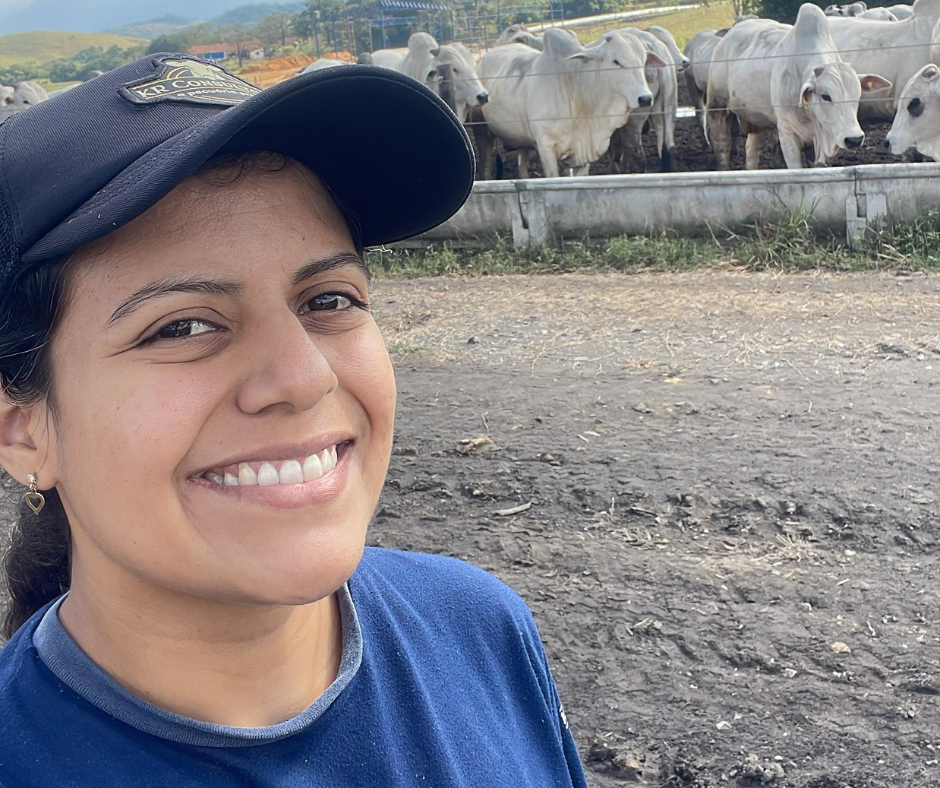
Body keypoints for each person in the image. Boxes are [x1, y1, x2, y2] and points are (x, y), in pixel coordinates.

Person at [0, 55, 589, 787]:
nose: (306, 376)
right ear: (21, 429)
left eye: (328, 300)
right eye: (183, 327)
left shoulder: (478, 630)